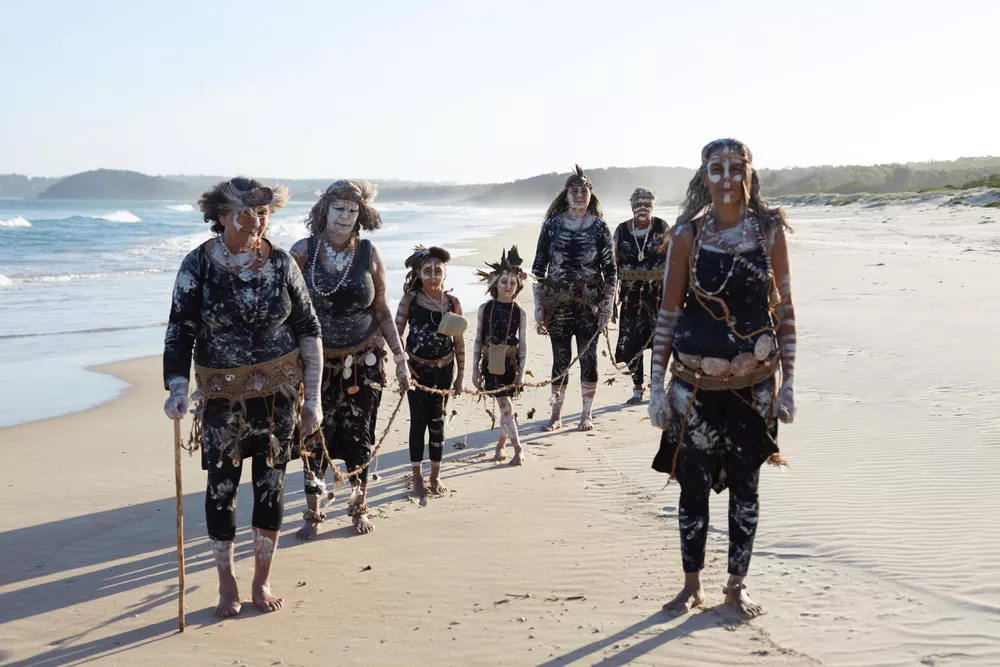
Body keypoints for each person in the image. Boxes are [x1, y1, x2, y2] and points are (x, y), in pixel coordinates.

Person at [647, 139, 797, 619]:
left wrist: (789, 382)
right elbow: (667, 315)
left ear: (750, 174)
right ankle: (692, 586)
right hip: (693, 387)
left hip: (753, 385)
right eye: (717, 168)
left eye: (737, 167)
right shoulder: (687, 235)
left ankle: (737, 585)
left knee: (747, 486)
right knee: (690, 486)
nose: (728, 177)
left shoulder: (769, 231)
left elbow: (786, 309)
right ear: (704, 176)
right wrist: (654, 389)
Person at [163, 177, 323, 617]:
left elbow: (309, 329)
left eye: (264, 213)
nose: (258, 221)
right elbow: (180, 331)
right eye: (249, 213)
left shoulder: (282, 263)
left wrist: (313, 401)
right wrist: (177, 387)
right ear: (221, 216)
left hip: (278, 398)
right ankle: (226, 581)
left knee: (271, 486)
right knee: (222, 489)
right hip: (221, 401)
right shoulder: (197, 266)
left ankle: (261, 577)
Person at [290, 180, 411, 538]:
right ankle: (313, 514)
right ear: (324, 210)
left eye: (352, 210)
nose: (345, 216)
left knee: (360, 437)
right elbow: (283, 311)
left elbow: (383, 310)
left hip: (364, 362)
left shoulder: (370, 253)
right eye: (338, 209)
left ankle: (359, 507)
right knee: (312, 439)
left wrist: (400, 358)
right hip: (313, 366)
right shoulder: (302, 252)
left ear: (362, 214)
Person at [531, 165, 617, 431]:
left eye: (584, 191)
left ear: (590, 195)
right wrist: (538, 305)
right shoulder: (552, 225)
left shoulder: (600, 227)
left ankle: (586, 414)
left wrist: (606, 308)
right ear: (566, 195)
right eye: (574, 191)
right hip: (557, 302)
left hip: (589, 302)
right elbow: (537, 269)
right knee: (560, 358)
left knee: (588, 356)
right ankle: (556, 415)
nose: (579, 195)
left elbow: (611, 271)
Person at [395, 246, 466, 496]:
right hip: (417, 372)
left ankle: (435, 476)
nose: (434, 276)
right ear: (418, 274)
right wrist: (403, 365)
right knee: (418, 422)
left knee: (438, 422)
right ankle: (417, 477)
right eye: (428, 271)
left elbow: (459, 342)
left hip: (444, 371)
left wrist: (460, 376)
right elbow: (396, 334)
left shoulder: (453, 303)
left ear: (445, 275)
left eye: (439, 271)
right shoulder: (410, 300)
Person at [472, 246, 529, 465]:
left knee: (507, 406)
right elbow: (477, 340)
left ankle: (500, 446)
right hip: (490, 366)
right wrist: (474, 373)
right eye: (503, 282)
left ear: (518, 287)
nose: (507, 286)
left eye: (512, 283)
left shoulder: (520, 312)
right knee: (506, 405)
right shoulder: (484, 309)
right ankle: (518, 449)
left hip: (511, 365)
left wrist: (522, 374)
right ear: (495, 284)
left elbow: (523, 346)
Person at [613, 187, 669, 404]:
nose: (643, 207)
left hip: (658, 295)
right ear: (631, 205)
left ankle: (656, 387)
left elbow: (674, 257)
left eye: (647, 203)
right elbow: (612, 262)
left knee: (659, 341)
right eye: (638, 203)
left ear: (653, 206)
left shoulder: (661, 226)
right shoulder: (621, 230)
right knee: (631, 343)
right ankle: (637, 388)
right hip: (630, 296)